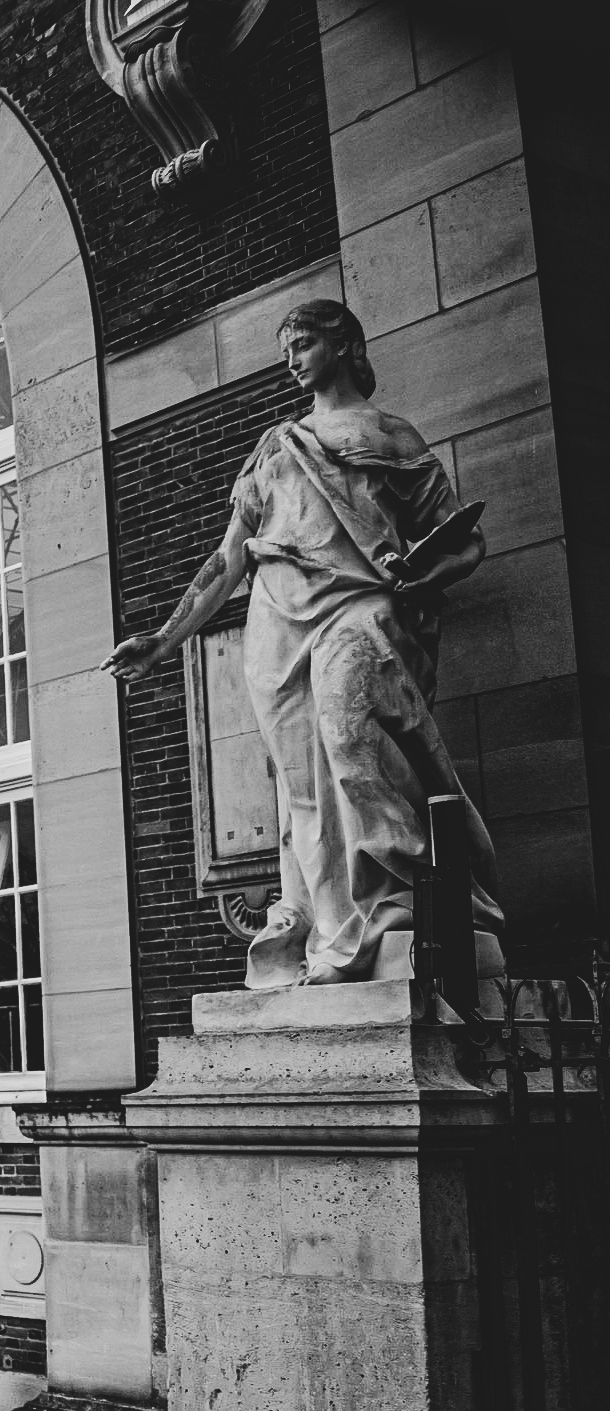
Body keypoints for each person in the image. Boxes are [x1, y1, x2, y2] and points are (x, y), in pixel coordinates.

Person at [102, 299, 500, 987]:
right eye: (286, 347)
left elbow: (463, 541)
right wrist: (162, 639)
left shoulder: (390, 434)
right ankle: (337, 927)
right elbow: (227, 560)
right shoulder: (275, 443)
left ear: (344, 344)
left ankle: (405, 903)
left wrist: (419, 575)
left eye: (303, 343)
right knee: (302, 787)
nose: (290, 359)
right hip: (274, 619)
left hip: (359, 604)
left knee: (349, 737)